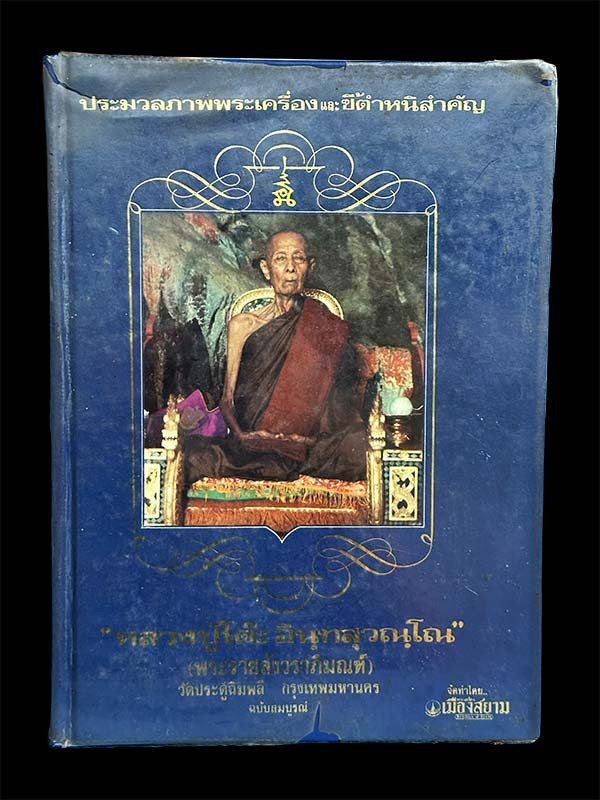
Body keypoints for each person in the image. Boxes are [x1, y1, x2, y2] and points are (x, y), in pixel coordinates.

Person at [185, 230, 367, 483]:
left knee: (360, 445)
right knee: (192, 454)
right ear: (266, 268)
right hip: (254, 437)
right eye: (281, 258)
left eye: (298, 258)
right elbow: (227, 399)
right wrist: (243, 436)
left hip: (307, 440)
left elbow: (338, 406)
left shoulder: (326, 326)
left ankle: (291, 451)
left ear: (310, 266)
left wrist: (307, 439)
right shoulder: (243, 325)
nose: (290, 268)